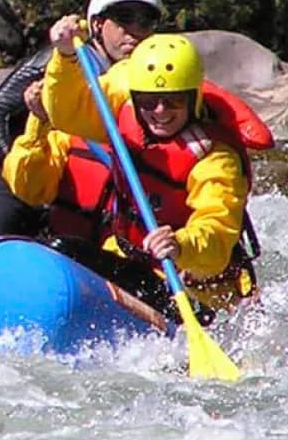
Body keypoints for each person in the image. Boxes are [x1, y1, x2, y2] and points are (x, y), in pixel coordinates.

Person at [30, 29, 265, 315]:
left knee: (68, 251)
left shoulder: (215, 158)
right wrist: (65, 56)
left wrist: (180, 245)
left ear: (193, 99)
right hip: (133, 260)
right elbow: (66, 112)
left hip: (192, 286)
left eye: (174, 101)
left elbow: (217, 234)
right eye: (149, 101)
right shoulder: (124, 118)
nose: (160, 111)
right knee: (60, 249)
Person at [0, 0, 164, 234]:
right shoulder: (61, 59)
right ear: (96, 23)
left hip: (61, 192)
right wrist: (17, 170)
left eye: (145, 21)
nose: (134, 32)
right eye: (124, 17)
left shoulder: (142, 81)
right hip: (4, 177)